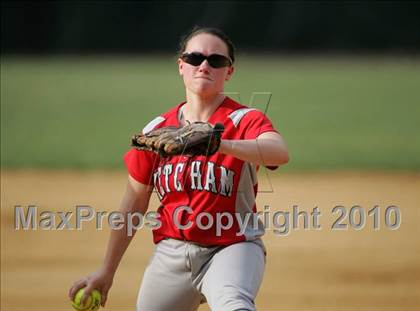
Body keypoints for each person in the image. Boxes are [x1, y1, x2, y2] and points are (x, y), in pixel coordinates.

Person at [68, 26, 289, 311]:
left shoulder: (245, 119)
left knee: (234, 305)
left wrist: (219, 144)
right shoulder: (158, 131)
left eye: (216, 60)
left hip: (232, 247)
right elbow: (134, 202)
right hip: (171, 253)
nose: (204, 66)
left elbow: (279, 152)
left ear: (229, 71)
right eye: (195, 58)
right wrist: (107, 271)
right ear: (181, 65)